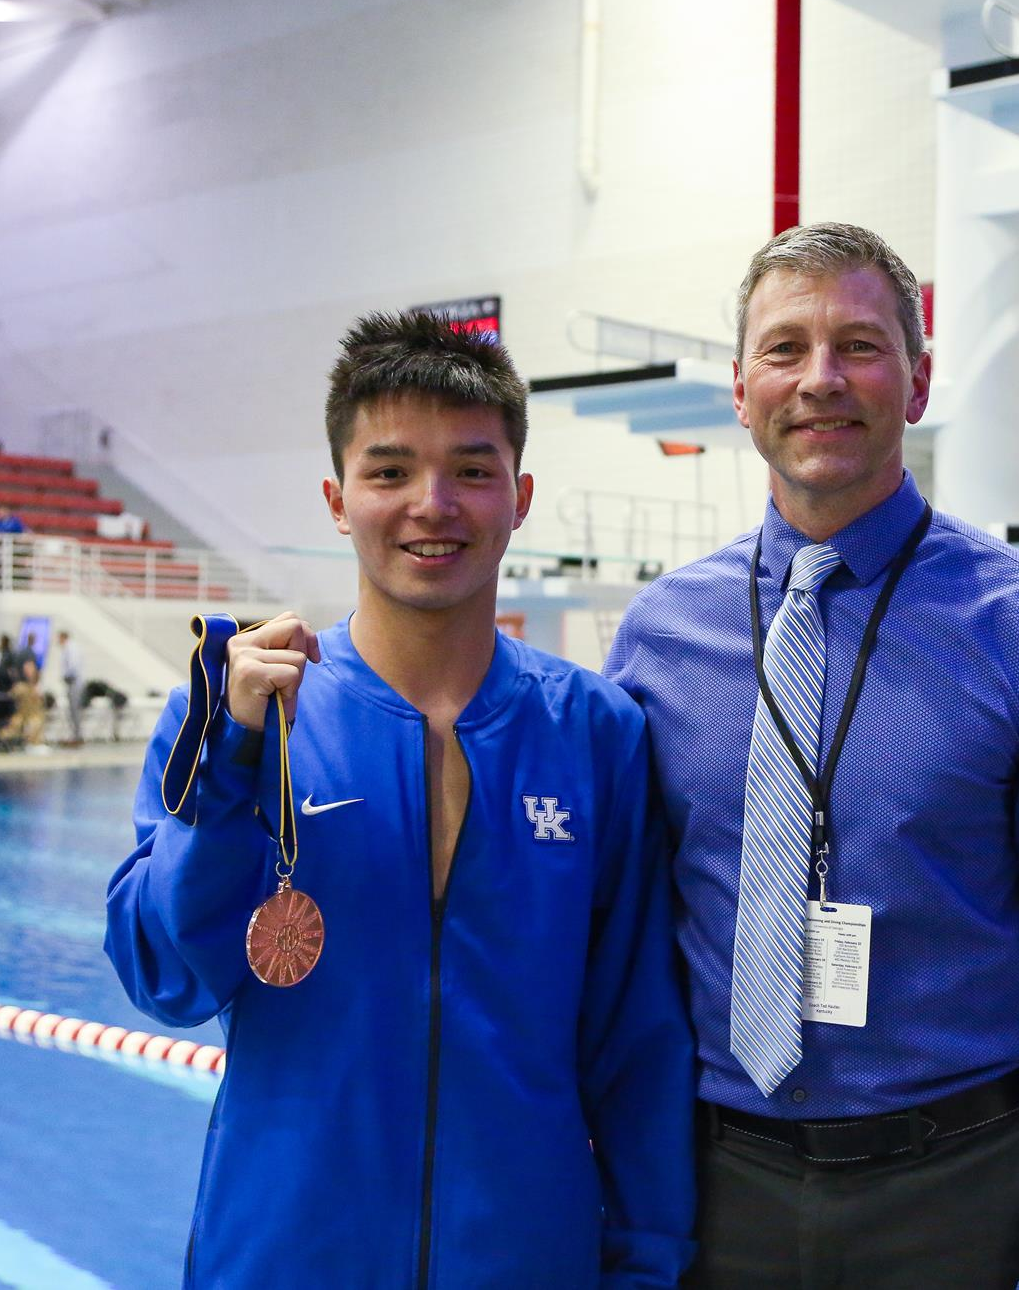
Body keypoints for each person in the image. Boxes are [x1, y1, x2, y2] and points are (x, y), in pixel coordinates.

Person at [604, 223, 1019, 1290]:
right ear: (738, 389)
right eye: (784, 348)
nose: (819, 379)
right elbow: (615, 932)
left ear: (915, 383)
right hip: (713, 1194)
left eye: (858, 345)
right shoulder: (657, 636)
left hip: (959, 1194)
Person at [105, 311, 694, 1287]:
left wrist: (646, 1265)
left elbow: (636, 1041)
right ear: (339, 500)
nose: (432, 503)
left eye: (470, 469)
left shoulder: (595, 733)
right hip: (284, 1257)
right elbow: (164, 978)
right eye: (388, 472)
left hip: (522, 1260)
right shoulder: (238, 716)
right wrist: (228, 770)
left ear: (519, 496)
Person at [56, 628, 84, 745]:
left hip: (74, 683)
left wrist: (66, 676)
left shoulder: (71, 648)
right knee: (72, 712)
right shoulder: (68, 648)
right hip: (71, 683)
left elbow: (73, 666)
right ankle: (75, 735)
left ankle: (77, 736)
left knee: (75, 711)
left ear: (63, 637)